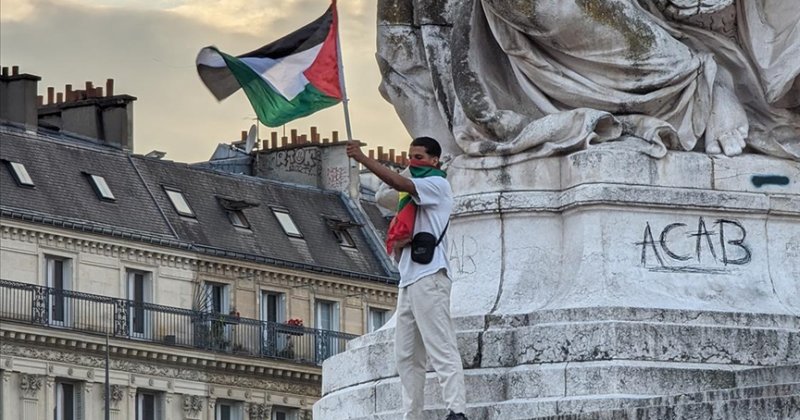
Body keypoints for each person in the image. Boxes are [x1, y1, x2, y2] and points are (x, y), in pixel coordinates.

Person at [346, 137, 468, 420]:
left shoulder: (437, 184)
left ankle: (457, 410)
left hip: (431, 277)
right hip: (409, 280)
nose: (413, 162)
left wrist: (363, 159)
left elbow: (403, 185)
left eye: (420, 157)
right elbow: (381, 196)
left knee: (441, 346)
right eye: (410, 156)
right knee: (407, 355)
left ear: (435, 161)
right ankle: (412, 414)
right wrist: (408, 169)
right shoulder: (411, 192)